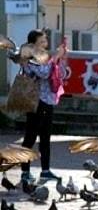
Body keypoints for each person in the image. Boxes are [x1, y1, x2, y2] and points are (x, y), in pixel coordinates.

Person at [20, 29, 67, 184]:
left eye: (45, 41)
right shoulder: (30, 57)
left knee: (45, 138)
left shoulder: (46, 57)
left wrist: (61, 61)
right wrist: (55, 58)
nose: (45, 44)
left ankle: (45, 170)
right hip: (35, 102)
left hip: (48, 101)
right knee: (30, 138)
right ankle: (25, 172)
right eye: (41, 42)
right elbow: (44, 73)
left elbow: (61, 74)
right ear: (33, 44)